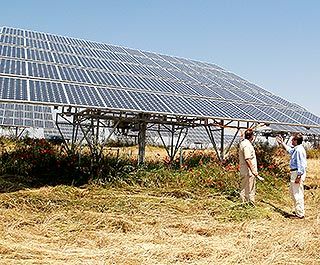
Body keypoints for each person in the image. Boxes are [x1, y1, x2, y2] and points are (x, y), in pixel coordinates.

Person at [276, 133, 307, 219]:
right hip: (296, 172)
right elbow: (290, 150)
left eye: (293, 139)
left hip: (297, 173)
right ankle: (299, 210)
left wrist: (298, 176)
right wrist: (282, 143)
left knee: (297, 193)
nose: (291, 141)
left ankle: (300, 214)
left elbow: (301, 164)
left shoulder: (299, 150)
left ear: (296, 141)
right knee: (294, 192)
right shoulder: (297, 149)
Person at [239, 128, 263, 204]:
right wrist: (253, 171)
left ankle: (247, 203)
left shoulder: (244, 143)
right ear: (251, 136)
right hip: (248, 172)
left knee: (247, 188)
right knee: (247, 188)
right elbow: (247, 159)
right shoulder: (246, 145)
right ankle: (247, 204)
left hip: (247, 171)